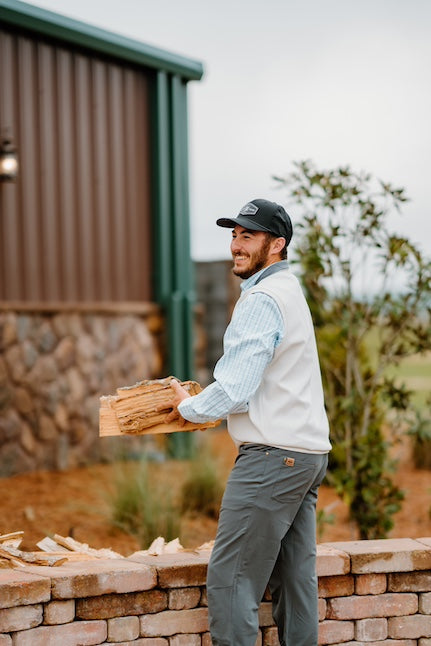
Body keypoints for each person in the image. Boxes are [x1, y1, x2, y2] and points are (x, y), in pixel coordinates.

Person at [165, 198, 331, 646]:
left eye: (249, 236)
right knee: (294, 578)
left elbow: (236, 386)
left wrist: (189, 408)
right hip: (307, 456)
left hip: (273, 459)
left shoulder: (261, 299)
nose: (237, 245)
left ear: (277, 244)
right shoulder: (289, 289)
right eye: (235, 235)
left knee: (232, 577)